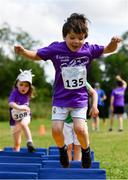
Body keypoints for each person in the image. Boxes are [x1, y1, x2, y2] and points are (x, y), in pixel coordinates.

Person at [14, 13, 121, 168]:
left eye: (80, 37)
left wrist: (114, 43)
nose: (76, 41)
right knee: (56, 130)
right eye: (72, 37)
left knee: (80, 128)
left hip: (79, 99)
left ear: (84, 37)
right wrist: (24, 52)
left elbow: (107, 49)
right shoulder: (56, 49)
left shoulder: (88, 49)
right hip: (60, 98)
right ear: (65, 36)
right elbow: (37, 55)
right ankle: (63, 150)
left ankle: (85, 150)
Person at [63, 81, 99, 161]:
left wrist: (94, 106)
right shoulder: (61, 81)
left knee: (78, 147)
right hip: (65, 121)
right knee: (68, 147)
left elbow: (94, 93)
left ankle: (76, 169)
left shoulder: (82, 81)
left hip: (80, 119)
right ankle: (68, 171)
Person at [8, 69, 36, 152]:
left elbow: (25, 109)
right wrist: (20, 107)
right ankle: (16, 152)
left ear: (29, 87)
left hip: (25, 116)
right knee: (17, 143)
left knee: (24, 124)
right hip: (14, 119)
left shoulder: (27, 94)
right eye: (21, 84)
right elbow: (11, 103)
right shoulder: (15, 92)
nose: (23, 87)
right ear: (17, 84)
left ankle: (30, 142)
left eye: (26, 86)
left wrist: (24, 109)